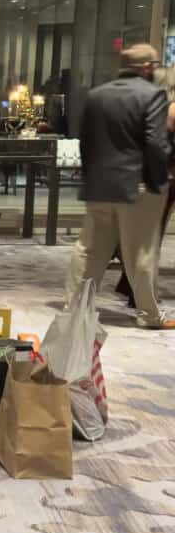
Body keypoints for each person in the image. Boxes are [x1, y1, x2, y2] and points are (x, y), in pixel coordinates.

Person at [67, 44, 174, 329]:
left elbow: (85, 141)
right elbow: (155, 142)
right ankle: (149, 314)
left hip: (100, 185)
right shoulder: (153, 95)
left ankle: (74, 309)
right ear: (147, 68)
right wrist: (159, 180)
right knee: (141, 251)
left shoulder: (97, 94)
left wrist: (91, 175)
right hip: (138, 186)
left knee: (90, 251)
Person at [116, 67, 175, 307]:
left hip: (152, 176)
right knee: (150, 238)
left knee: (146, 236)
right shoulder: (169, 109)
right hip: (167, 177)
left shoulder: (148, 107)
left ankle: (130, 286)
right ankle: (139, 292)